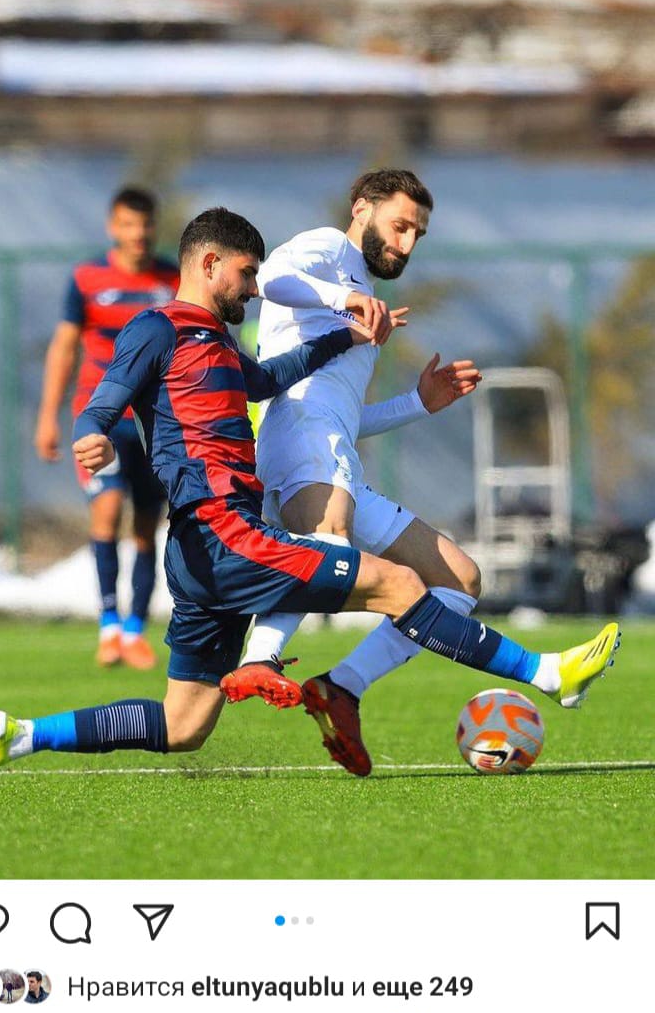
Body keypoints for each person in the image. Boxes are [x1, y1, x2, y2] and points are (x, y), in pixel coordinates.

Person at [0, 207, 619, 789]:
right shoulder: (158, 328)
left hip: (205, 547)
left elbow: (269, 379)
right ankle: (546, 673)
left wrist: (344, 338)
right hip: (224, 533)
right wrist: (91, 435)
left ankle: (20, 735)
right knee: (398, 583)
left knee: (184, 726)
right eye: (246, 275)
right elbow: (103, 402)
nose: (253, 289)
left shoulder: (215, 340)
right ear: (209, 264)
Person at [230, 167, 617, 775]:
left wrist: (417, 403)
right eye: (400, 225)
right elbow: (271, 279)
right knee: (328, 544)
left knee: (458, 579)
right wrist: (345, 300)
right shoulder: (327, 250)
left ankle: (341, 687)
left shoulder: (361, 294)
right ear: (362, 208)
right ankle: (261, 658)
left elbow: (347, 416)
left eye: (417, 234)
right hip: (300, 436)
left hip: (331, 447)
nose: (407, 243)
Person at [34, 187, 179, 670]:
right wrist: (48, 416)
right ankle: (108, 626)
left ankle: (135, 630)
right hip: (102, 419)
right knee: (108, 507)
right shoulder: (87, 279)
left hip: (154, 423)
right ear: (112, 227)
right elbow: (64, 347)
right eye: (128, 224)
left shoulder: (173, 280)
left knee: (146, 527)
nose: (138, 233)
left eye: (145, 223)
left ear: (154, 226)